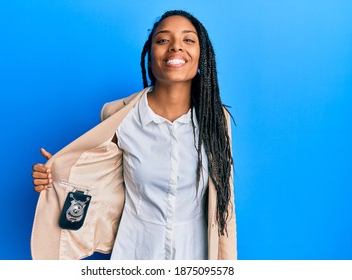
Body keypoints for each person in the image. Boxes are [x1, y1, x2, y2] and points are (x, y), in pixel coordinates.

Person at [31, 10, 236, 260]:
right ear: (150, 56)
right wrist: (57, 176)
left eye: (188, 40)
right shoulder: (119, 116)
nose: (175, 47)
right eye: (163, 40)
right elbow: (96, 179)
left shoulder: (216, 118)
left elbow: (226, 203)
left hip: (196, 253)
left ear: (202, 55)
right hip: (136, 251)